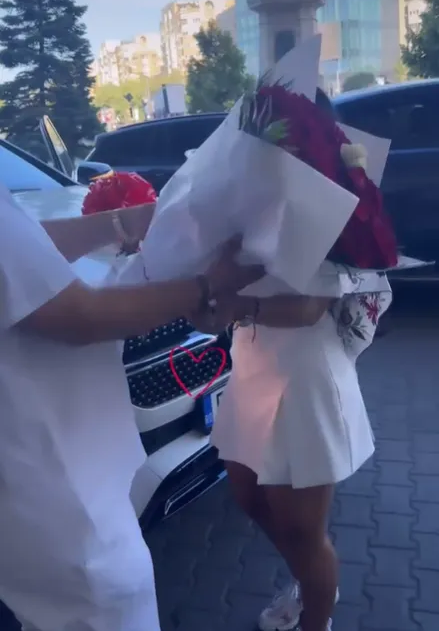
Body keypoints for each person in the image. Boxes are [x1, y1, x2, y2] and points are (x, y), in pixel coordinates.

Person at [0, 179, 264, 631]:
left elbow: (21, 248)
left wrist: (121, 223)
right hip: (49, 480)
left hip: (47, 473)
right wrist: (206, 286)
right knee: (105, 600)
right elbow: (82, 317)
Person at [207, 88, 390, 631]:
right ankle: (310, 582)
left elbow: (310, 307)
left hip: (304, 378)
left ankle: (316, 609)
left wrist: (236, 304)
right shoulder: (244, 192)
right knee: (249, 497)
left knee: (302, 531)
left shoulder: (333, 199)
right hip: (253, 365)